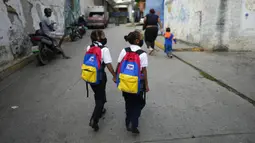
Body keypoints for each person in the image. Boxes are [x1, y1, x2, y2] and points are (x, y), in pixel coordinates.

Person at [116, 31, 149, 134]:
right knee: (139, 103)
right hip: (137, 84)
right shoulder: (142, 54)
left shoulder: (124, 50)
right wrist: (146, 85)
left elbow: (119, 65)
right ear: (137, 41)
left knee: (128, 102)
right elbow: (144, 71)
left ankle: (128, 121)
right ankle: (133, 123)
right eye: (141, 37)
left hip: (125, 82)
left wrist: (115, 77)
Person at [85, 30, 116, 132]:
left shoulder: (89, 47)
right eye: (103, 36)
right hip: (100, 76)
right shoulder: (104, 49)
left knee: (98, 93)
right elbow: (108, 64)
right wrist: (114, 75)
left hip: (89, 76)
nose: (104, 37)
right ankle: (94, 119)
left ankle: (101, 109)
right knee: (100, 99)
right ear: (99, 38)